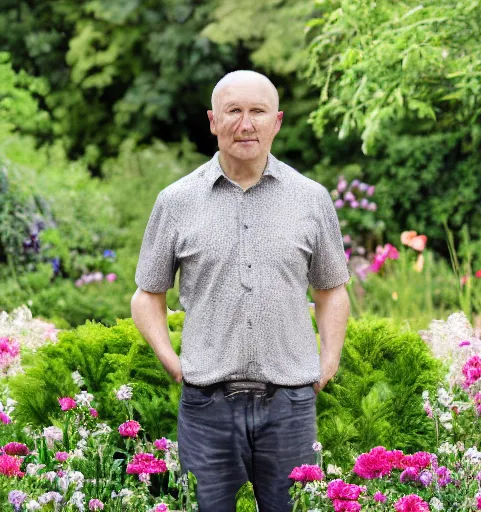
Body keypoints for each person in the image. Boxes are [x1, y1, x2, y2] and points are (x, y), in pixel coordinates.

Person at [131, 70, 351, 512]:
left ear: (278, 122)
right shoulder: (176, 200)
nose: (245, 123)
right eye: (233, 111)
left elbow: (332, 291)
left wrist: (327, 362)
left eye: (257, 112)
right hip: (206, 405)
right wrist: (176, 366)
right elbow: (147, 296)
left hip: (289, 403)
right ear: (213, 121)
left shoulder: (311, 198)